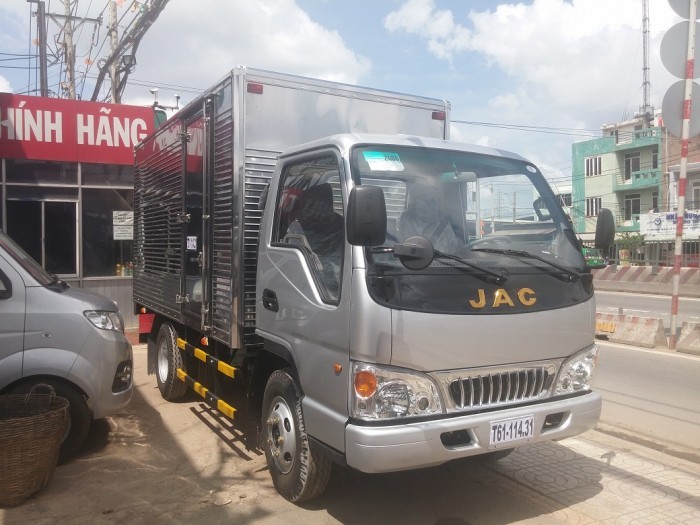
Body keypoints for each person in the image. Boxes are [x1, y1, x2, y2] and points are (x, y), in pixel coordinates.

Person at [286, 183, 344, 296]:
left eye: (322, 204)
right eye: (313, 205)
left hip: (337, 282)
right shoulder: (297, 226)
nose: (318, 209)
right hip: (312, 283)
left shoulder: (339, 224)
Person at [397, 181, 458, 253]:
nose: (433, 206)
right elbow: (398, 246)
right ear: (416, 202)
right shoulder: (404, 219)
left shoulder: (444, 225)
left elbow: (453, 253)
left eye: (434, 201)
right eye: (427, 201)